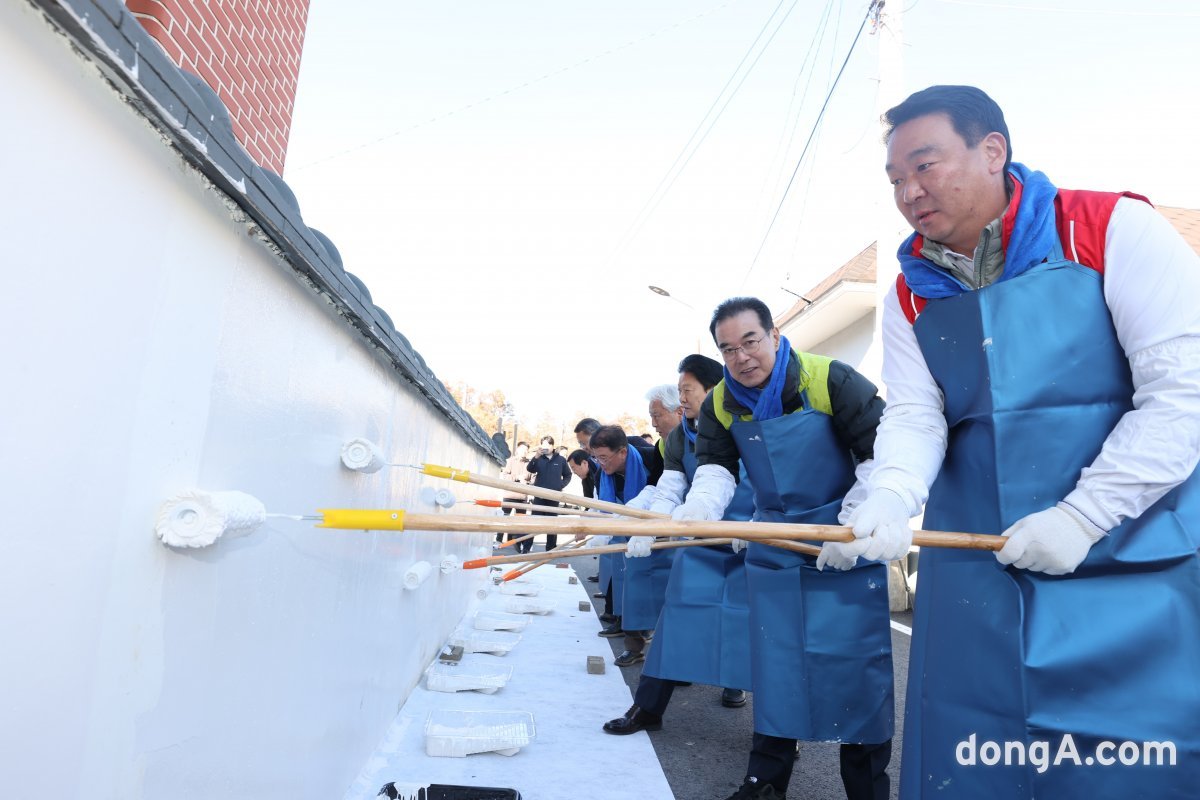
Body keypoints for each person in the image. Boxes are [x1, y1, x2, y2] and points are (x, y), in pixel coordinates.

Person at [847, 84, 1200, 799]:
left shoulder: (1110, 229)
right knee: (983, 749)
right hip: (982, 573)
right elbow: (917, 415)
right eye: (894, 180)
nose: (910, 192)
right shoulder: (909, 293)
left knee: (1128, 760)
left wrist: (1084, 514)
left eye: (925, 165)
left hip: (1134, 557)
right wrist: (890, 494)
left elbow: (1183, 393)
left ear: (992, 150)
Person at [675, 297, 895, 800]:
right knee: (778, 666)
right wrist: (701, 508)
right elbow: (715, 468)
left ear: (774, 335)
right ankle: (765, 781)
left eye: (750, 341)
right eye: (728, 349)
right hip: (774, 542)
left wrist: (854, 526)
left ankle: (866, 788)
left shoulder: (829, 379)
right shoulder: (721, 404)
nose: (741, 357)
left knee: (856, 670)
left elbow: (880, 454)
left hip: (843, 543)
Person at [604, 355, 753, 739]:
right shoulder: (675, 439)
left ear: (714, 390)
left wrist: (755, 524)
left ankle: (775, 726)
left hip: (751, 538)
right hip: (700, 536)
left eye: (687, 390)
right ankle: (648, 707)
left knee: (752, 626)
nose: (681, 399)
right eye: (681, 390)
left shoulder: (747, 424)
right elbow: (670, 490)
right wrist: (649, 528)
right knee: (677, 617)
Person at [589, 424, 664, 667]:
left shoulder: (651, 458)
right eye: (596, 458)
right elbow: (606, 508)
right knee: (629, 589)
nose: (600, 463)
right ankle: (634, 646)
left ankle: (667, 650)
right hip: (626, 538)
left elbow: (668, 493)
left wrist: (651, 528)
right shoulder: (603, 474)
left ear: (622, 452)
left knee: (661, 592)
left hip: (659, 535)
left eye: (604, 457)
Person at [525, 435, 572, 551]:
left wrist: (560, 485)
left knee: (552, 524)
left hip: (554, 497)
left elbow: (568, 475)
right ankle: (526, 548)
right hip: (539, 496)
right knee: (534, 523)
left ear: (552, 446)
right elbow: (530, 469)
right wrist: (536, 456)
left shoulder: (561, 460)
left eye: (547, 444)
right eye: (543, 444)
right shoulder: (539, 458)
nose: (545, 447)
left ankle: (550, 549)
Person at [498, 440, 531, 545]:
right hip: (509, 494)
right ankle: (498, 540)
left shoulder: (529, 464)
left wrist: (526, 481)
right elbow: (505, 476)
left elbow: (532, 479)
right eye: (522, 450)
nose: (524, 452)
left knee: (519, 521)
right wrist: (517, 478)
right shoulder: (511, 461)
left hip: (522, 496)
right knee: (504, 518)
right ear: (517, 450)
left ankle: (513, 541)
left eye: (526, 451)